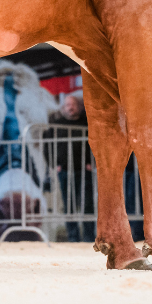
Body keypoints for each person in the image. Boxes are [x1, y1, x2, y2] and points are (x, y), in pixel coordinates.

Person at [49, 93, 94, 242]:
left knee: (87, 204)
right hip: (65, 171)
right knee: (69, 205)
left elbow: (94, 145)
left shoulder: (87, 123)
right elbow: (47, 145)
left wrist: (92, 163)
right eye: (67, 105)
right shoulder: (57, 125)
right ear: (63, 108)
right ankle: (73, 236)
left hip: (84, 170)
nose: (71, 107)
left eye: (73, 104)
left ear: (79, 107)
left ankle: (89, 236)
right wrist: (54, 164)